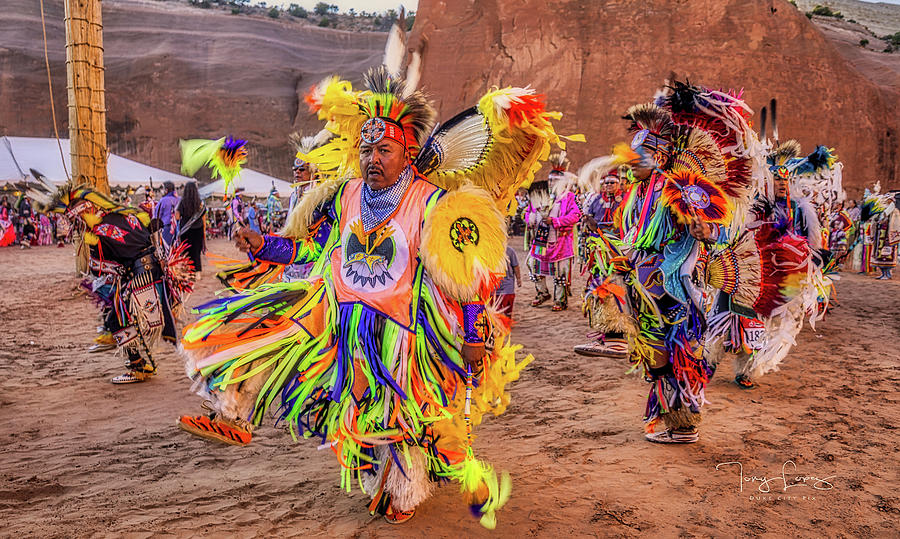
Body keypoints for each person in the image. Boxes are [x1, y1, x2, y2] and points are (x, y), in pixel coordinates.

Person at [176, 65, 567, 527]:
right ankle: (232, 410)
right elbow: (316, 249)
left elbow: (467, 279)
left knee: (396, 418)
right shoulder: (344, 195)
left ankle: (402, 487)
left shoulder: (434, 203)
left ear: (408, 152)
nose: (372, 158)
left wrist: (474, 335)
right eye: (366, 148)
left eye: (384, 149)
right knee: (257, 329)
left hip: (402, 333)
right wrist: (265, 246)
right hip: (335, 315)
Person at [36, 185, 193, 383]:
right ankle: (141, 363)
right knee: (120, 316)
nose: (73, 224)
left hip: (142, 277)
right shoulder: (125, 215)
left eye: (73, 219)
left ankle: (139, 367)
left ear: (83, 213)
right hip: (155, 272)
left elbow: (99, 269)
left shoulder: (99, 232)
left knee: (116, 320)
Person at [525, 151, 582, 311]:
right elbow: (528, 212)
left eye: (555, 181)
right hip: (541, 240)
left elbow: (576, 215)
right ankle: (542, 293)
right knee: (533, 265)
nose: (551, 183)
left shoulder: (569, 197)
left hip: (561, 243)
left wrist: (555, 221)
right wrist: (533, 219)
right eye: (550, 180)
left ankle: (560, 300)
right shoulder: (540, 194)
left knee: (560, 273)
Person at [174, 181, 207, 273]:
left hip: (186, 230)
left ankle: (188, 271)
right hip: (198, 229)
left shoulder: (182, 202)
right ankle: (198, 272)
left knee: (186, 251)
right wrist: (204, 231)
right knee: (196, 251)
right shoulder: (200, 203)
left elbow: (177, 216)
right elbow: (204, 218)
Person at [494, 244, 521, 318]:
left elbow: (515, 266)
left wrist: (519, 279)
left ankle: (508, 320)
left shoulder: (510, 251)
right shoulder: (489, 252)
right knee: (495, 309)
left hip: (508, 284)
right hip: (494, 286)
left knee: (508, 307)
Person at [153, 181, 179, 248]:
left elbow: (157, 216)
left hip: (166, 229)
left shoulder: (163, 200)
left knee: (167, 248)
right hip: (179, 227)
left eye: (162, 189)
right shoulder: (179, 199)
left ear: (166, 190)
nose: (162, 191)